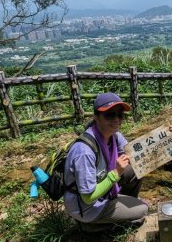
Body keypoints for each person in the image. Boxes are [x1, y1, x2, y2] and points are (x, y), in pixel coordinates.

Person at [63, 92, 148, 232]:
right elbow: (88, 197)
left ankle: (118, 211)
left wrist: (164, 137)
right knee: (142, 211)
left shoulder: (114, 136)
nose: (116, 119)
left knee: (134, 171)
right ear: (96, 117)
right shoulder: (84, 152)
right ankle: (91, 225)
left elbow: (135, 153)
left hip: (104, 191)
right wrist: (116, 173)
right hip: (88, 207)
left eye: (120, 115)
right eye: (109, 114)